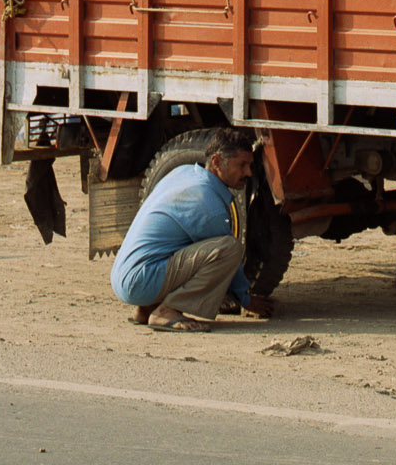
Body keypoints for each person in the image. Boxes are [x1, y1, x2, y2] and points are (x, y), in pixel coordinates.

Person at [111, 128, 274, 332]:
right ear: (216, 162)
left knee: (185, 242)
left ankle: (147, 308)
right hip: (141, 281)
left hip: (126, 277)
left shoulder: (184, 172)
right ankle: (168, 311)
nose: (248, 173)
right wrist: (246, 300)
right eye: (242, 165)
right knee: (229, 248)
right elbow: (225, 260)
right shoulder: (208, 204)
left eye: (250, 166)